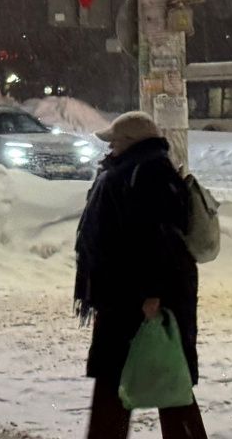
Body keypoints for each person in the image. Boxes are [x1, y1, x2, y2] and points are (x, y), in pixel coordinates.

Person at [75, 111, 207, 438]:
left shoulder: (147, 173)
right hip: (124, 294)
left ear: (132, 142)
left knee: (160, 373)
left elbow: (156, 238)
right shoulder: (132, 170)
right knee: (150, 375)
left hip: (139, 298)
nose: (111, 148)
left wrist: (153, 293)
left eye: (116, 141)